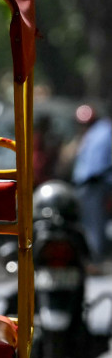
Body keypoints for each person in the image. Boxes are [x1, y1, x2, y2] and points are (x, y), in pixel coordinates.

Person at [71, 103, 112, 274]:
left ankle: (96, 260)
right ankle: (90, 258)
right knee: (86, 224)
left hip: (96, 183)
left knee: (94, 224)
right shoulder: (88, 135)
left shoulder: (104, 131)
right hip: (85, 186)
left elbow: (99, 163)